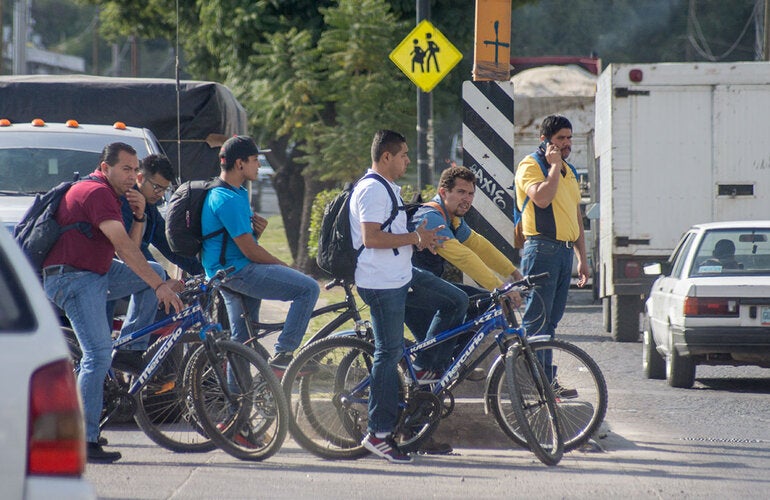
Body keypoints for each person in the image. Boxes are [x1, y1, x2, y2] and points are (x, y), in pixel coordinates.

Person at [42, 142, 183, 463]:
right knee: (97, 355)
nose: (132, 176)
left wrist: (138, 216)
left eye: (135, 170)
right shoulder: (96, 193)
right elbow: (125, 249)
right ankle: (85, 441)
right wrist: (159, 286)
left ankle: (131, 351)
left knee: (155, 269)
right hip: (73, 278)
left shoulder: (115, 196)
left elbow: (128, 250)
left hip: (97, 272)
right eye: (126, 169)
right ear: (105, 168)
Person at [350, 130, 468, 463]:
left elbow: (393, 234)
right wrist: (415, 237)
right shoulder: (373, 190)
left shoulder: (386, 189)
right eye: (403, 154)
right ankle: (378, 433)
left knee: (455, 300)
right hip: (381, 282)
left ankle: (425, 368)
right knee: (386, 354)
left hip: (401, 275)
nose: (407, 160)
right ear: (385, 157)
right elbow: (371, 238)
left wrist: (419, 240)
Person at [201, 135, 320, 373]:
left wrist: (257, 233)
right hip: (237, 272)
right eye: (255, 160)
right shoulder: (227, 198)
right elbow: (250, 251)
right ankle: (284, 354)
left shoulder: (233, 193)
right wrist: (285, 266)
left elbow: (241, 243)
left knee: (243, 342)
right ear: (239, 164)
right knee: (308, 288)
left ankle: (238, 403)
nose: (258, 165)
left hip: (225, 272)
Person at [411, 165, 524, 379]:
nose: (467, 199)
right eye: (461, 192)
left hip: (426, 284)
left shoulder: (451, 219)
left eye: (471, 193)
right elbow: (463, 256)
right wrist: (500, 287)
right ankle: (424, 368)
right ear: (444, 192)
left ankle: (446, 363)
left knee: (484, 302)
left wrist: (513, 273)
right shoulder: (430, 218)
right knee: (459, 300)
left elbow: (478, 245)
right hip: (409, 287)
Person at [514, 115, 589, 392]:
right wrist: (554, 166)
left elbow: (576, 216)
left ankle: (544, 381)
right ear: (545, 141)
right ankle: (533, 383)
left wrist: (582, 258)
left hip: (564, 251)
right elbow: (542, 198)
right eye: (560, 139)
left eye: (569, 138)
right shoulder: (531, 165)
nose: (567, 144)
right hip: (542, 247)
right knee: (537, 319)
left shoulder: (569, 170)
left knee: (551, 321)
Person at [121, 154, 203, 276]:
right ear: (140, 178)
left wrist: (201, 271)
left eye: (165, 189)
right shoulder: (125, 201)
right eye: (157, 187)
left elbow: (167, 243)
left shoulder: (149, 205)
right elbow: (138, 251)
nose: (160, 194)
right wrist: (164, 281)